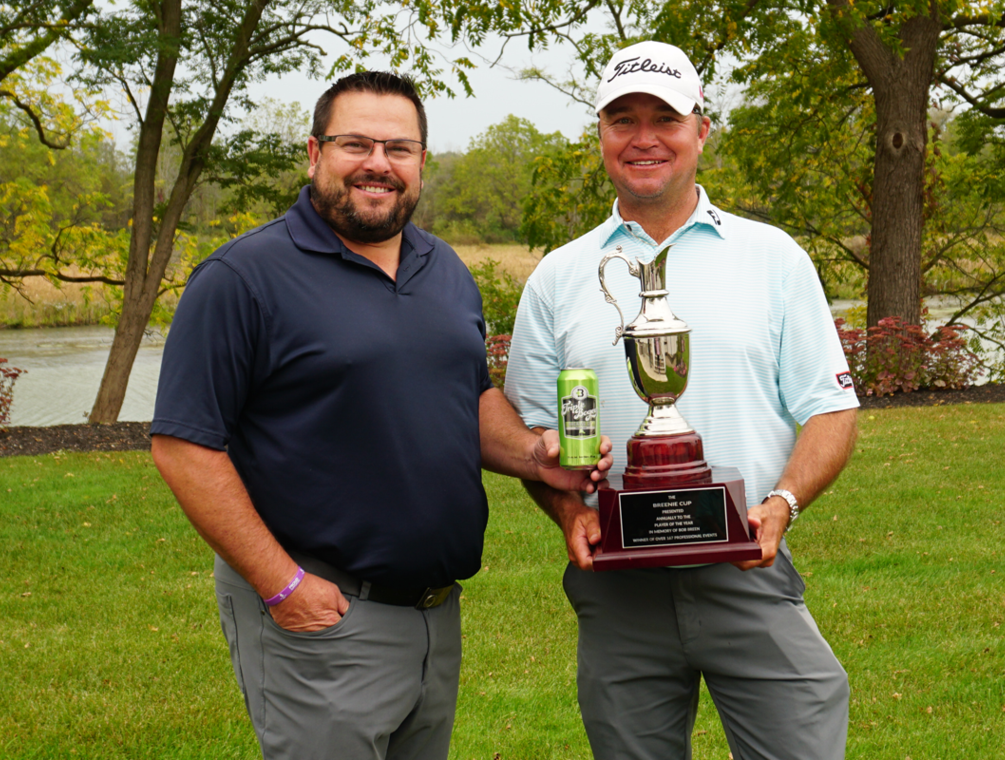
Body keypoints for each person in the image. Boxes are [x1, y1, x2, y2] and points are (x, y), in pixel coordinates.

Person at [150, 71, 611, 760]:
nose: (378, 163)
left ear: (422, 162)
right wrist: (283, 585)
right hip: (322, 613)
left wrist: (533, 455)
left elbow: (470, 397)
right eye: (355, 144)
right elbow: (184, 446)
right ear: (314, 153)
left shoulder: (445, 270)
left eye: (398, 147)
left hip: (434, 615)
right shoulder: (243, 278)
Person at [504, 41, 860, 760]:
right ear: (600, 135)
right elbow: (533, 431)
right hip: (616, 588)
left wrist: (782, 506)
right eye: (622, 119)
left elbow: (830, 407)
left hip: (745, 568)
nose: (643, 139)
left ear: (701, 130)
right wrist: (568, 510)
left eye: (664, 118)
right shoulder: (560, 274)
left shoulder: (773, 258)